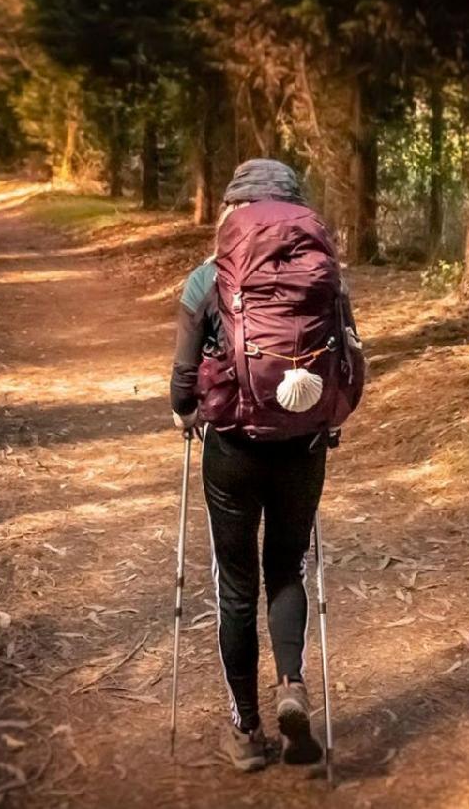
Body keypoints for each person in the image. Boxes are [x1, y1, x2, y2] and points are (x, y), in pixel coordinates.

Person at [169, 158, 361, 772]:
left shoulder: (207, 278)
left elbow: (180, 382)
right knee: (286, 569)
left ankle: (247, 731)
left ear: (233, 208)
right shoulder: (324, 272)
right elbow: (351, 358)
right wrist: (325, 416)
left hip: (233, 447)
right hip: (302, 443)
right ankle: (292, 685)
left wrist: (183, 412)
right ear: (293, 207)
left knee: (235, 584)